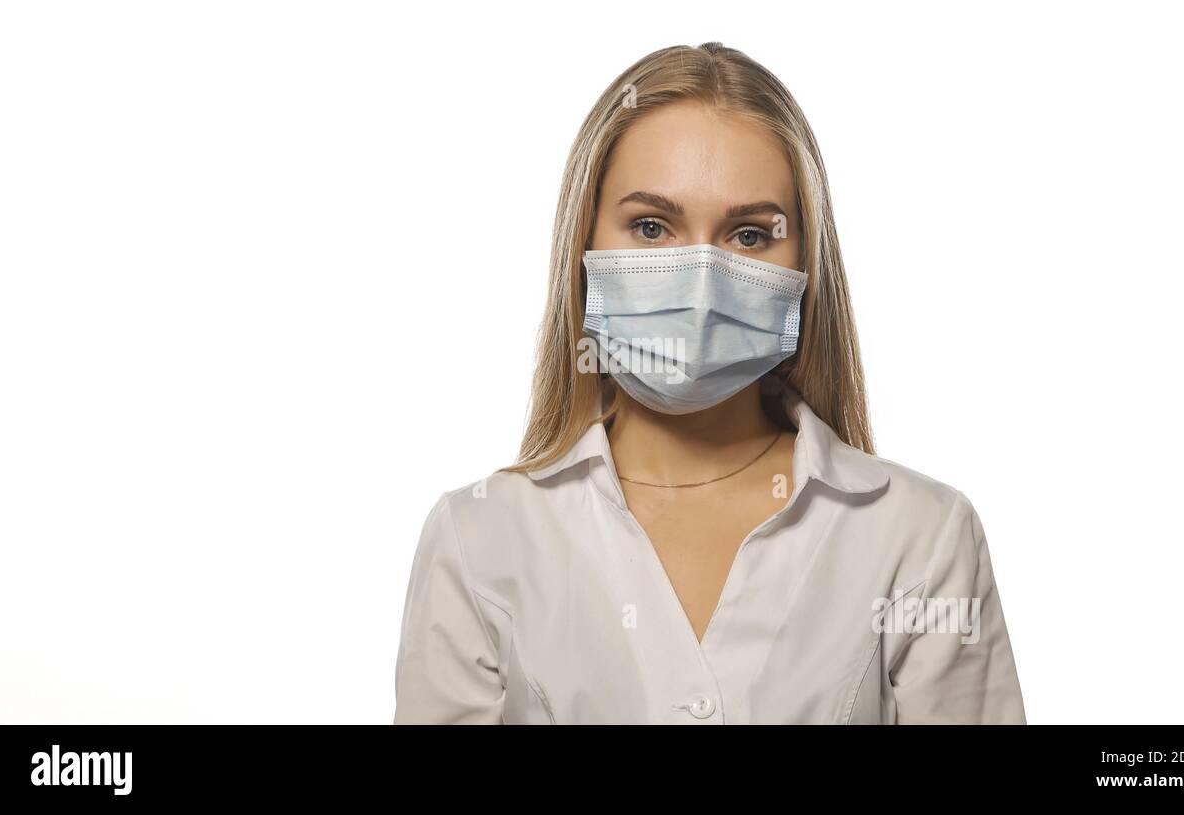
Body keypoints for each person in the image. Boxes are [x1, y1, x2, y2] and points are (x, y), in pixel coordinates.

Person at [393, 41, 1026, 724]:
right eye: (651, 226)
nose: (700, 282)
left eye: (750, 235)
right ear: (585, 244)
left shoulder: (919, 535)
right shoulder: (479, 537)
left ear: (805, 263)